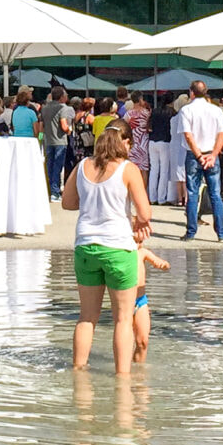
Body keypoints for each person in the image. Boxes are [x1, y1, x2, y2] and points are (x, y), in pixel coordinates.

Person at [60, 122, 152, 375]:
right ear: (126, 142)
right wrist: (137, 220)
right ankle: (123, 379)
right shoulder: (128, 169)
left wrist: (93, 202)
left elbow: (67, 203)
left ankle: (78, 372)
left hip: (86, 246)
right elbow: (145, 212)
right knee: (122, 319)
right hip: (118, 248)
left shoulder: (82, 166)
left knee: (86, 317)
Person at [176, 80, 223, 242]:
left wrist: (198, 155)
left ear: (191, 92)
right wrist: (213, 154)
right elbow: (222, 134)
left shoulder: (186, 110)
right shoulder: (216, 110)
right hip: (211, 154)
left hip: (194, 154)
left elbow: (188, 135)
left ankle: (191, 231)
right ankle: (221, 234)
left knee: (192, 193)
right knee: (215, 194)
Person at [130, 244, 171, 364]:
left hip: (140, 301)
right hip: (124, 303)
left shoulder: (142, 252)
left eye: (141, 240)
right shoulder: (118, 252)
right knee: (127, 341)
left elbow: (157, 260)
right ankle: (124, 368)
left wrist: (163, 264)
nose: (139, 242)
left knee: (143, 342)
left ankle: (139, 370)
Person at [38, 85, 73, 197]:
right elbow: (64, 125)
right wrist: (69, 130)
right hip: (60, 141)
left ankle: (48, 190)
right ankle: (55, 192)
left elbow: (41, 126)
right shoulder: (63, 108)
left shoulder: (44, 108)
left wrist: (40, 138)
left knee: (49, 165)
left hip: (48, 140)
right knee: (57, 167)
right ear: (61, 96)